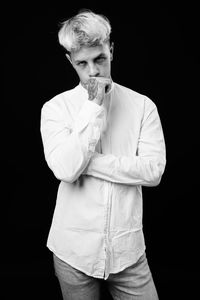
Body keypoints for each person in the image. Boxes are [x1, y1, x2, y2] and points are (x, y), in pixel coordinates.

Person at [40, 9, 166, 300]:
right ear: (70, 61)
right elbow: (66, 170)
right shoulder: (56, 109)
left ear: (111, 49)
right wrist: (93, 106)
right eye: (82, 63)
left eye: (100, 59)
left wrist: (88, 162)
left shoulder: (142, 106)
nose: (94, 71)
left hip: (128, 252)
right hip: (73, 251)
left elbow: (153, 171)